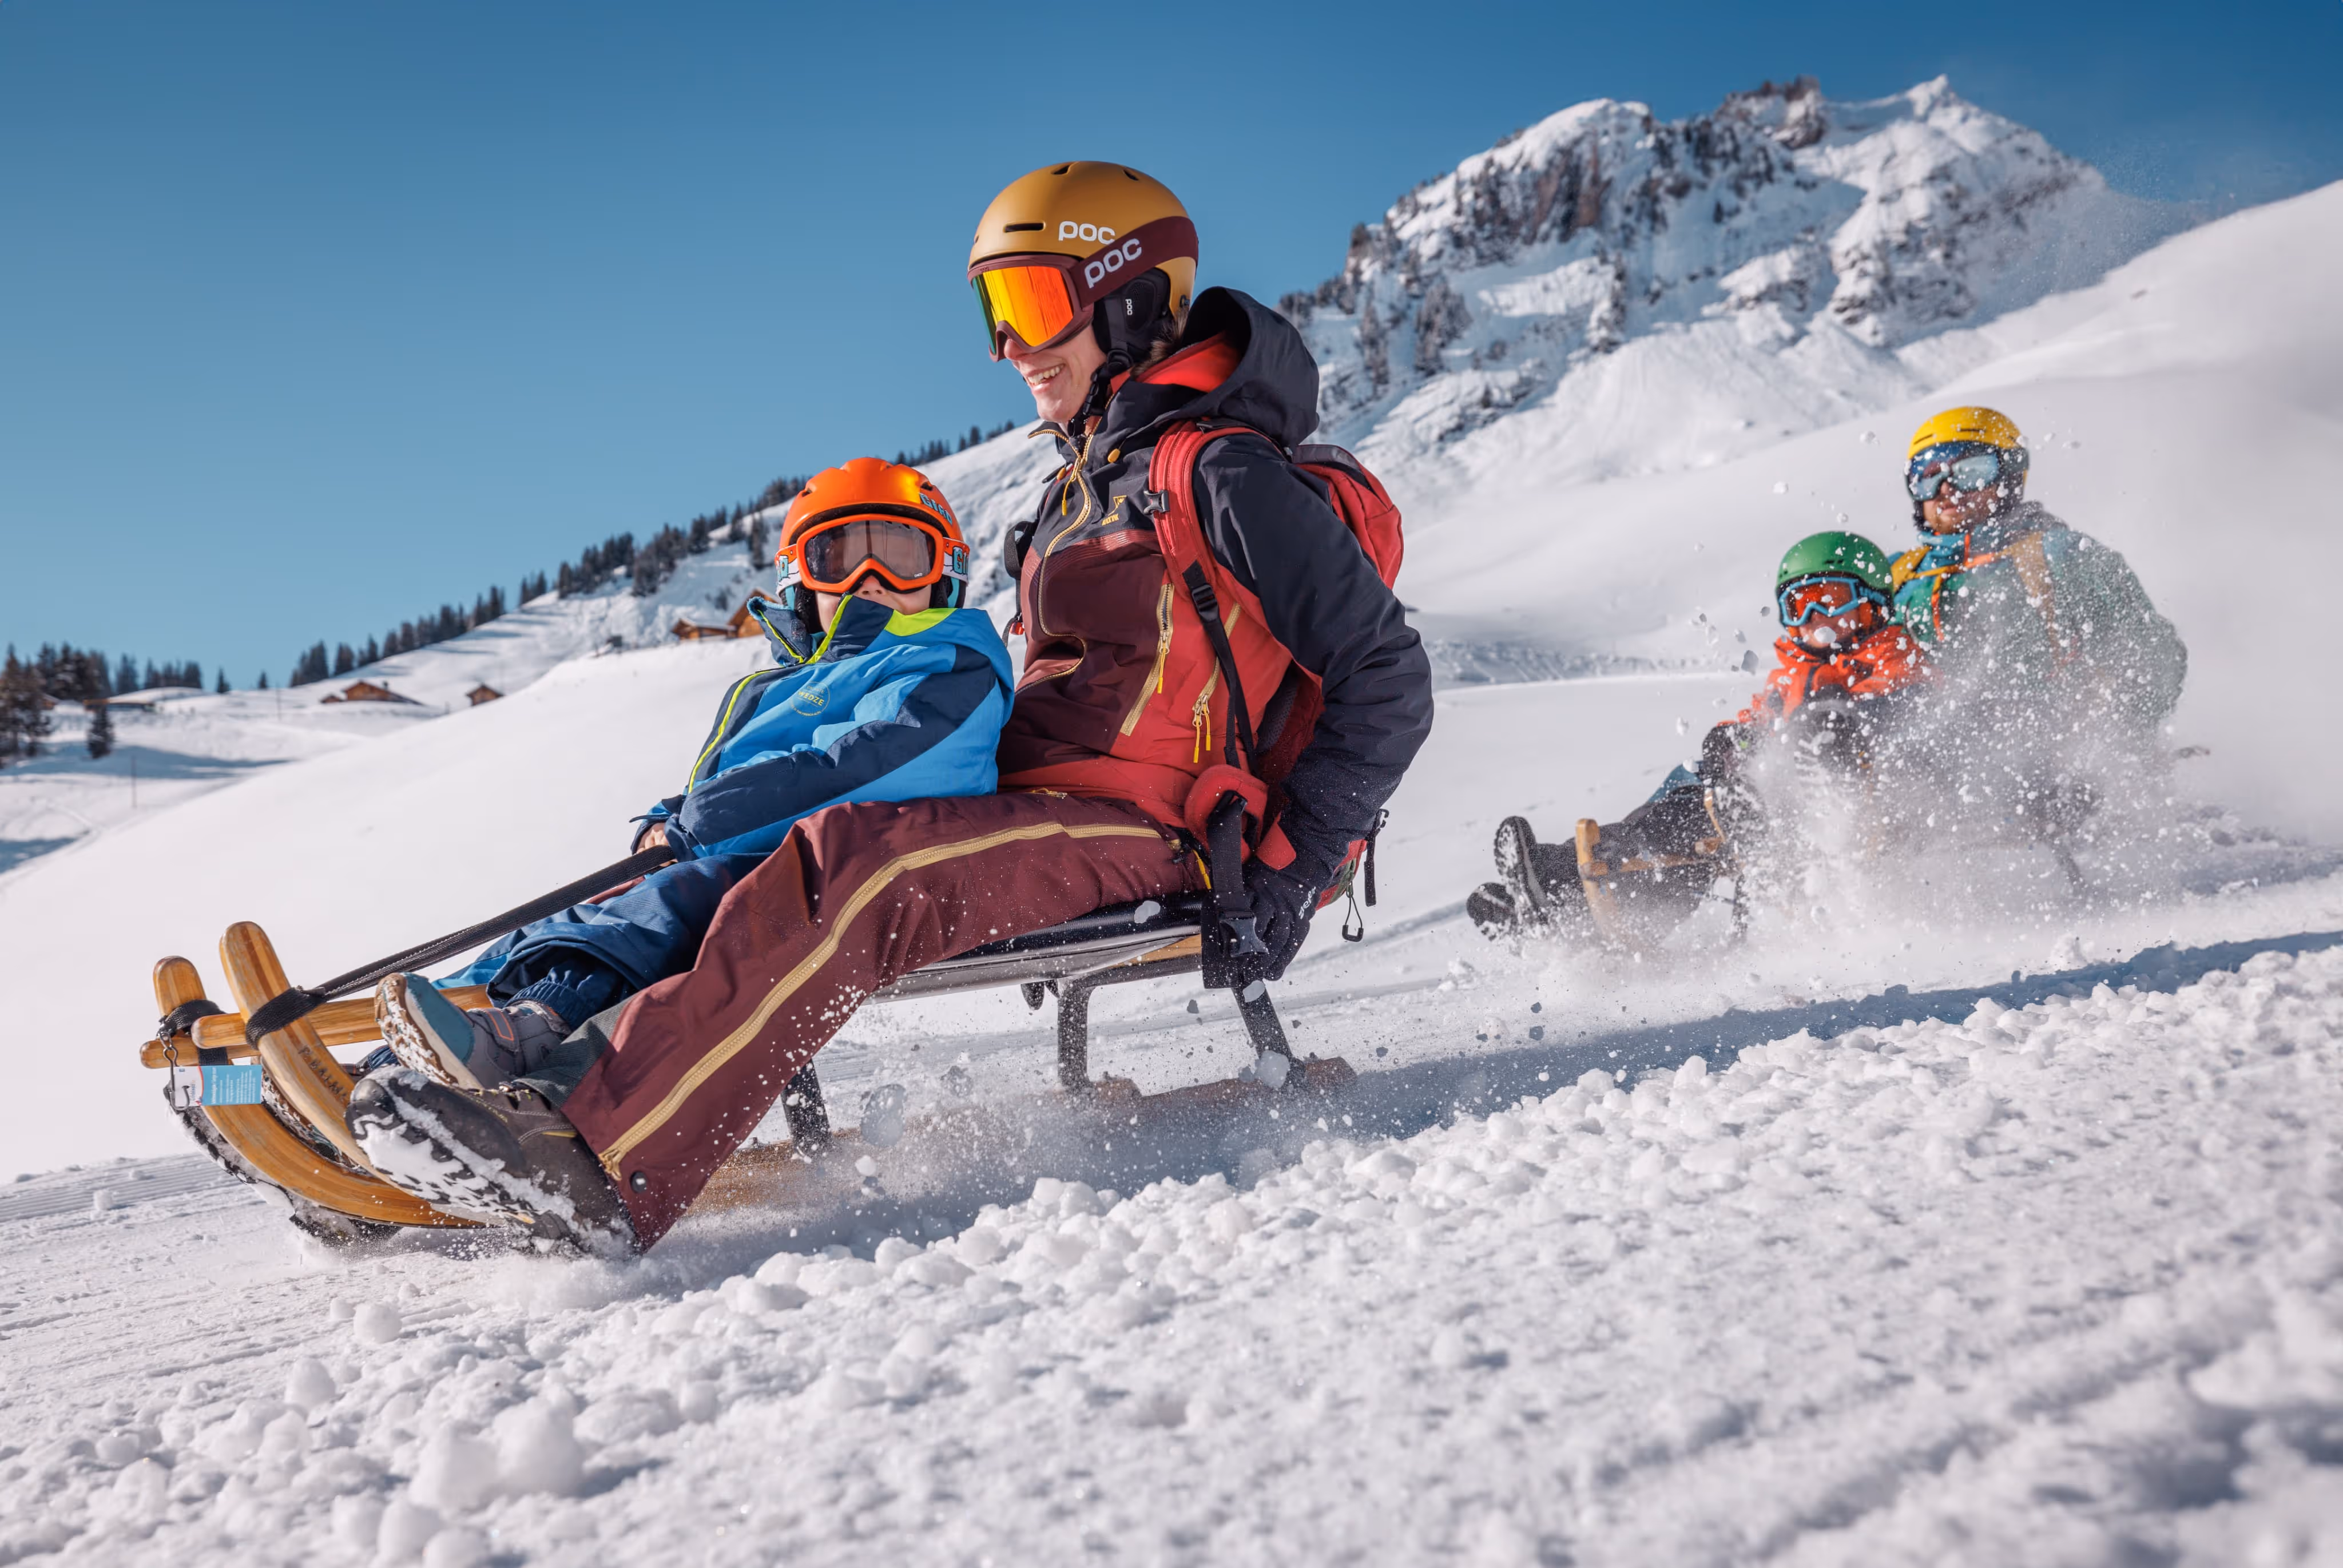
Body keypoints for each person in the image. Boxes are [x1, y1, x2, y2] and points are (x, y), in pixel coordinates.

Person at [346, 162, 1433, 1253]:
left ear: (1130, 298)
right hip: (1035, 815)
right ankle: (488, 1071)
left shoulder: (1219, 473)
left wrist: (1290, 876)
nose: (1010, 349)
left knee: (865, 865)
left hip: (1162, 831)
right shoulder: (1087, 483)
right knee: (737, 863)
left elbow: (1386, 677)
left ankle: (594, 1155)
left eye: (1032, 306)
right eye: (992, 315)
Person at [370, 455, 1014, 1095]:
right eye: (837, 559)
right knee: (562, 922)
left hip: (846, 870)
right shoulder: (789, 682)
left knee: (670, 903)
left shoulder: (950, 664)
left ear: (946, 573)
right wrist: (671, 815)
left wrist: (700, 824)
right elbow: (748, 777)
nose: (868, 579)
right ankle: (391, 1062)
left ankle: (525, 1034)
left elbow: (868, 764)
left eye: (902, 558)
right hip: (761, 850)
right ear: (799, 579)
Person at [1471, 530, 1925, 942]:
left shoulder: (1896, 659)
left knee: (1773, 769)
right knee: (1685, 800)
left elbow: (1903, 716)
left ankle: (1741, 822)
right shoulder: (1792, 679)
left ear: (1873, 602)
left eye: (1830, 600)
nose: (1813, 617)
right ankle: (1564, 889)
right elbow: (1758, 724)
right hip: (1772, 807)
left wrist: (1841, 722)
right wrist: (1729, 740)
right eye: (1798, 605)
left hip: (1862, 811)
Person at [1890, 405, 2183, 732]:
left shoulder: (2063, 556)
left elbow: (2155, 656)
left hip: (2057, 761)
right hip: (1931, 767)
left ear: (2009, 475)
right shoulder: (1897, 576)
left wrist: (2107, 747)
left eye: (1970, 471)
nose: (1946, 489)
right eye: (1928, 476)